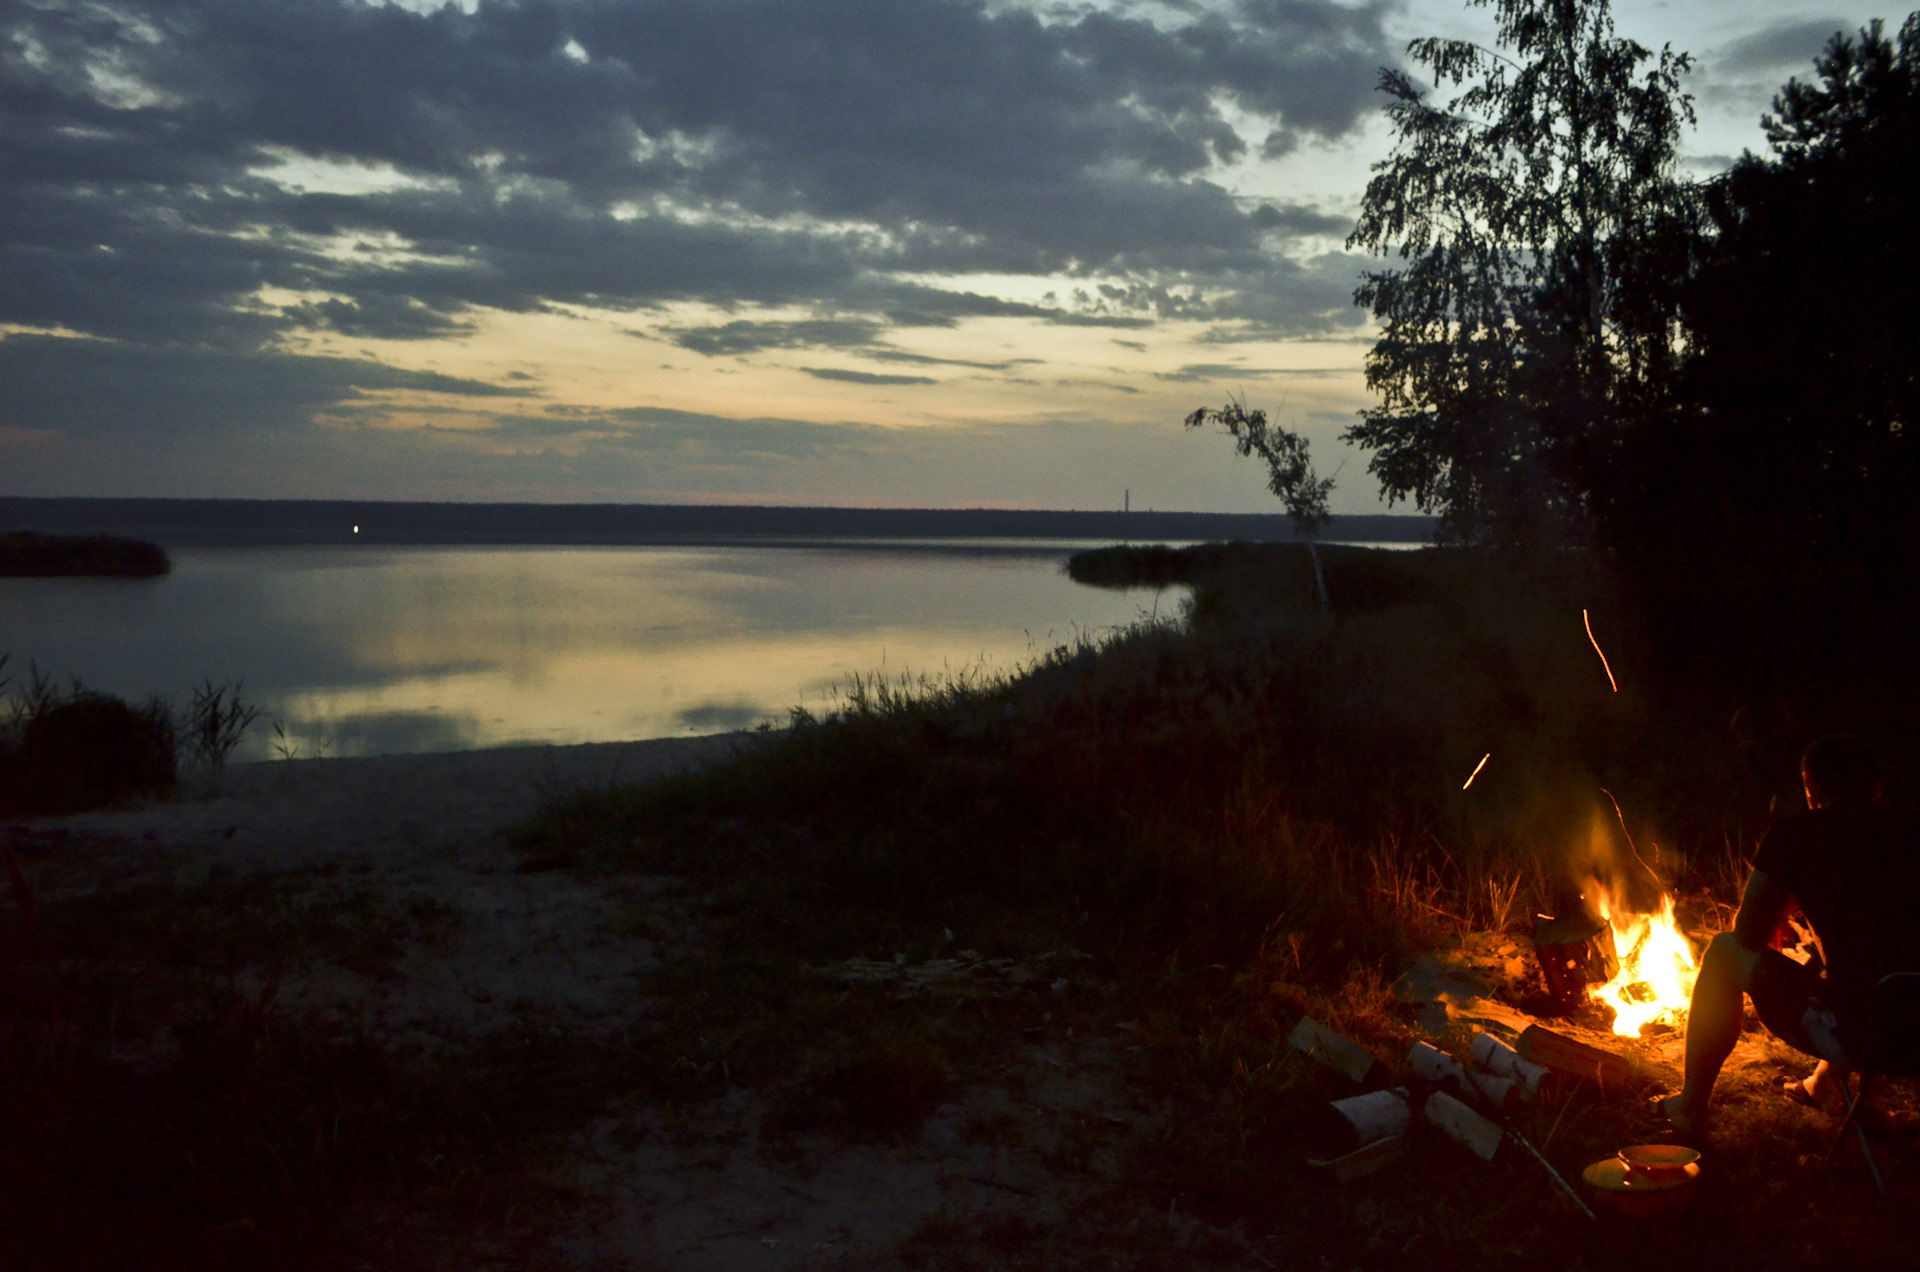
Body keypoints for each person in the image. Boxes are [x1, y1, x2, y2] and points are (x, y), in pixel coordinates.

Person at [1658, 736, 1920, 1134]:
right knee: (1872, 972)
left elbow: (1747, 934)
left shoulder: (1799, 835)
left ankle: (1690, 1105)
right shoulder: (1911, 830)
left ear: (1809, 787)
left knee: (1724, 953)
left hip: (1866, 1034)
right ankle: (1825, 1085)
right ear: (1878, 785)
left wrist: (1791, 899)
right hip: (1913, 1033)